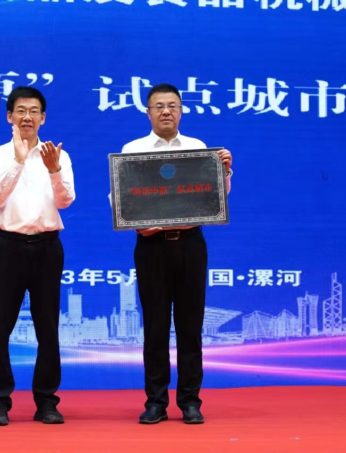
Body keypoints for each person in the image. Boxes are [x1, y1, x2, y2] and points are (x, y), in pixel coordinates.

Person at [120, 84, 233, 425]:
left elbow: (214, 199)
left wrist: (224, 172)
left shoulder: (198, 149)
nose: (166, 111)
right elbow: (120, 200)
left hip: (190, 245)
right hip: (151, 247)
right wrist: (136, 223)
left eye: (172, 105)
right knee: (155, 327)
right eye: (159, 106)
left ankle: (190, 401)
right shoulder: (133, 150)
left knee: (190, 326)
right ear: (148, 112)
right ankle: (155, 402)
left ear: (181, 111)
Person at [0, 87, 75, 426]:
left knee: (47, 328)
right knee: (0, 327)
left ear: (43, 118)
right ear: (10, 116)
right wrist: (19, 162)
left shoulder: (58, 156)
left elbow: (66, 201)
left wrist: (53, 170)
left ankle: (46, 401)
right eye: (21, 111)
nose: (27, 117)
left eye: (34, 111)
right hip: (7, 247)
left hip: (47, 248)